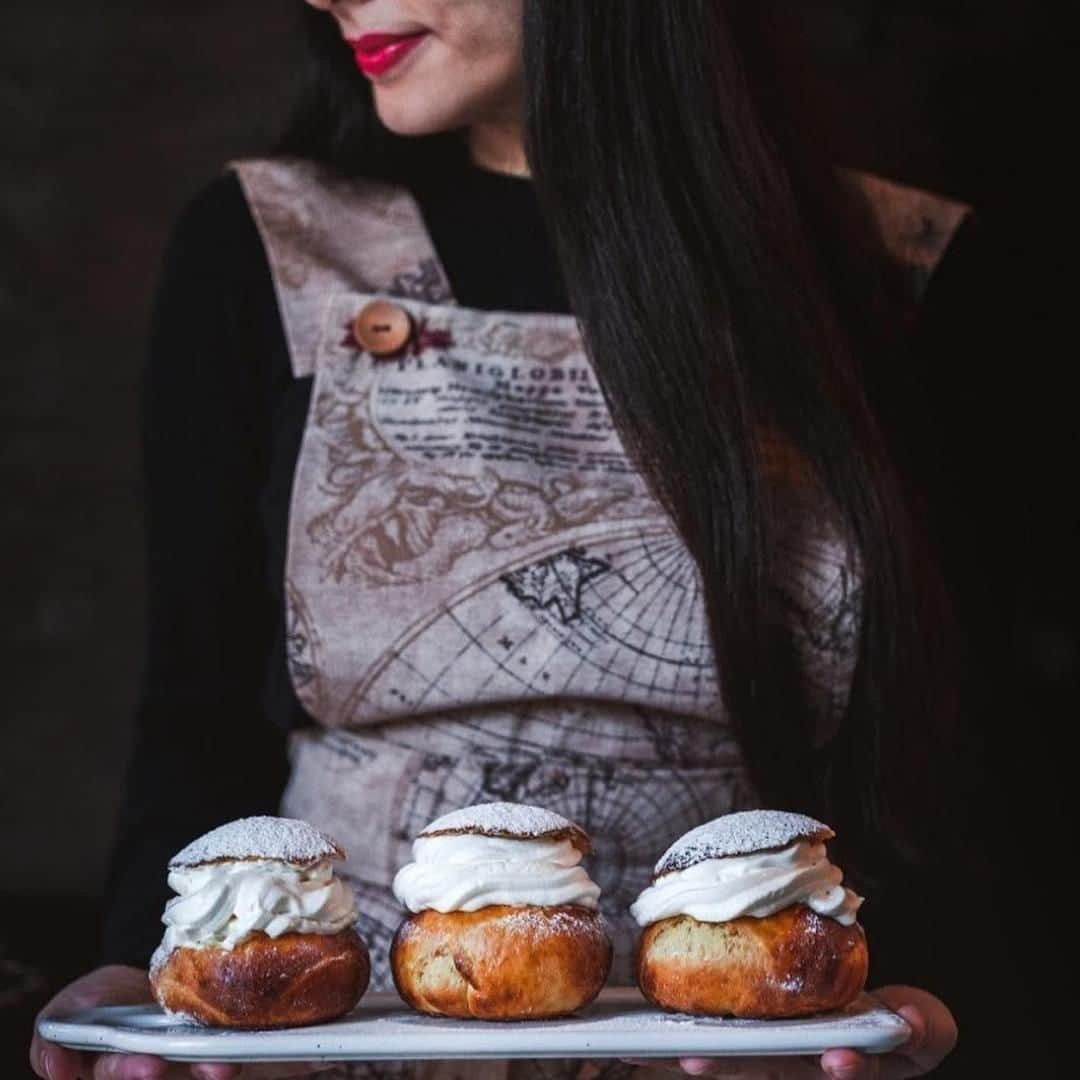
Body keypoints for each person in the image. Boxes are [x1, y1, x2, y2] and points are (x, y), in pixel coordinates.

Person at [29, 2, 970, 1077]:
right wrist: (142, 982)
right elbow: (196, 706)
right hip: (325, 1041)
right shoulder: (266, 244)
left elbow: (952, 747)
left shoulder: (879, 271)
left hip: (756, 1041)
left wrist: (919, 1008)